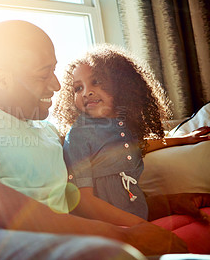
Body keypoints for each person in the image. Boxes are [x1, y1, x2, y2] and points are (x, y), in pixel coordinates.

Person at [0, 20, 189, 260]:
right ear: (1, 79)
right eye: (44, 74)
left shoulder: (49, 132)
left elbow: (83, 197)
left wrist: (170, 204)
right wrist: (124, 236)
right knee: (105, 252)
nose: (56, 84)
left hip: (51, 239)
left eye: (54, 70)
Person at [52, 44, 210, 254]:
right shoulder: (80, 135)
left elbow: (142, 144)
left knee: (204, 218)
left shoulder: (124, 126)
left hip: (140, 216)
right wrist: (141, 227)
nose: (87, 92)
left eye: (96, 82)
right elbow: (83, 201)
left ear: (122, 85)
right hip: (115, 230)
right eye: (77, 88)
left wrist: (183, 139)